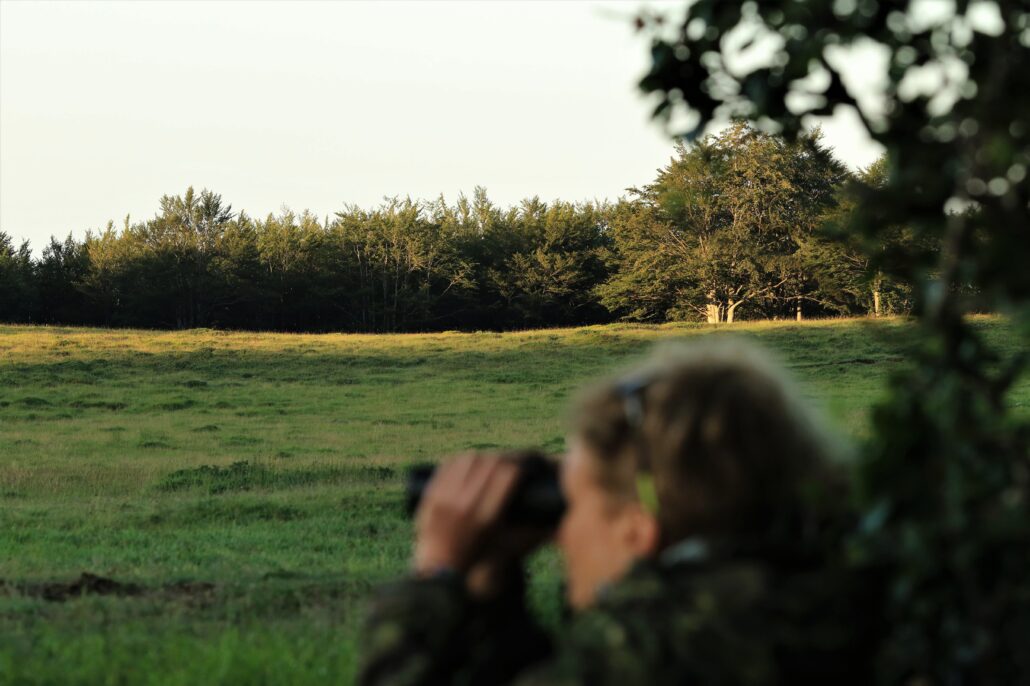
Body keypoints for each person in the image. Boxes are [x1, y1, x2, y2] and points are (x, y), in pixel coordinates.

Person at [359, 340, 881, 685]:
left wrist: (434, 577)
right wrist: (492, 594)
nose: (560, 536)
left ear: (637, 531)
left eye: (572, 506)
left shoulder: (650, 652)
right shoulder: (834, 606)